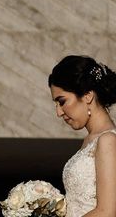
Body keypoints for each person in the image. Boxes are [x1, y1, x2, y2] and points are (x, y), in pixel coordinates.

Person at [49, 55, 116, 217]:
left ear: (87, 95)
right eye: (56, 104)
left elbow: (107, 212)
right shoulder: (91, 140)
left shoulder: (108, 141)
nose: (59, 112)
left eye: (62, 101)